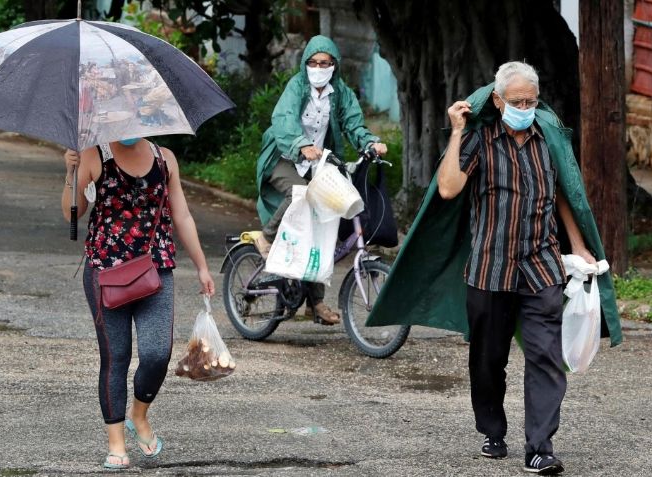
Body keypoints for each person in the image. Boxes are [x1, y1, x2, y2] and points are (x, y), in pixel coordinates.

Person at [366, 61, 623, 475]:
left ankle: (539, 447)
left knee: (546, 356)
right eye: (518, 101)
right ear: (499, 101)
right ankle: (492, 429)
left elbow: (561, 192)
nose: (526, 107)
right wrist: (456, 133)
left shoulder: (548, 139)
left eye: (532, 101)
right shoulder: (480, 140)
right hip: (490, 268)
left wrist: (577, 244)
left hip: (541, 266)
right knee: (488, 359)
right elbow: (449, 188)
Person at [61, 138, 215, 470]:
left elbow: (183, 216)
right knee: (116, 358)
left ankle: (139, 414)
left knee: (158, 353)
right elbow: (70, 212)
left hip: (155, 269)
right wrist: (71, 172)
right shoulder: (93, 155)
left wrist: (202, 265)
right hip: (105, 271)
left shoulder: (165, 159)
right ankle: (116, 444)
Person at [255, 35, 387, 325]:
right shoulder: (296, 87)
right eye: (313, 62)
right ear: (305, 64)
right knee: (299, 192)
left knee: (323, 225)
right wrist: (301, 144)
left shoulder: (340, 92)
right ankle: (265, 235)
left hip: (320, 162)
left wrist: (370, 143)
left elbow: (354, 124)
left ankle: (315, 303)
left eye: (324, 63)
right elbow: (283, 120)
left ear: (334, 66)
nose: (318, 67)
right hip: (283, 157)